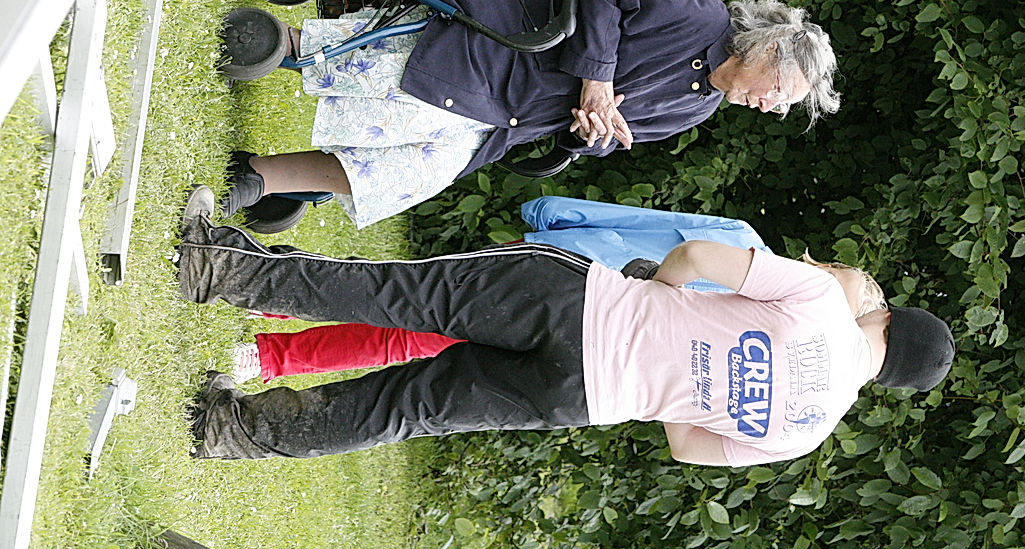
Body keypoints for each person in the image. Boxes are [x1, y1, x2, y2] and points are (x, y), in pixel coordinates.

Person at [180, 187, 954, 466]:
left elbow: (701, 253)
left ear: (884, 318)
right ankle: (229, 430)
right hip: (582, 397)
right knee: (405, 410)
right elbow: (687, 445)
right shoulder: (805, 432)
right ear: (888, 382)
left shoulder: (824, 303)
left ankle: (220, 269)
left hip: (579, 305)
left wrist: (663, 292)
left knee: (396, 294)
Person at [221, 0, 841, 228]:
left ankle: (258, 177)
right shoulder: (695, 11)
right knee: (415, 95)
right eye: (781, 93)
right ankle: (279, 45)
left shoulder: (697, 109)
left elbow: (598, 136)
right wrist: (596, 81)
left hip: (515, 111)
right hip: (509, 32)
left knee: (420, 170)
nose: (772, 108)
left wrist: (586, 132)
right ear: (768, 50)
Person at [229, 196, 778, 383]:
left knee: (413, 339)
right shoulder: (742, 243)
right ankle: (269, 295)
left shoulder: (767, 339)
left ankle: (269, 352)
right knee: (400, 292)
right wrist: (555, 218)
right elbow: (637, 221)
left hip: (581, 341)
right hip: (553, 271)